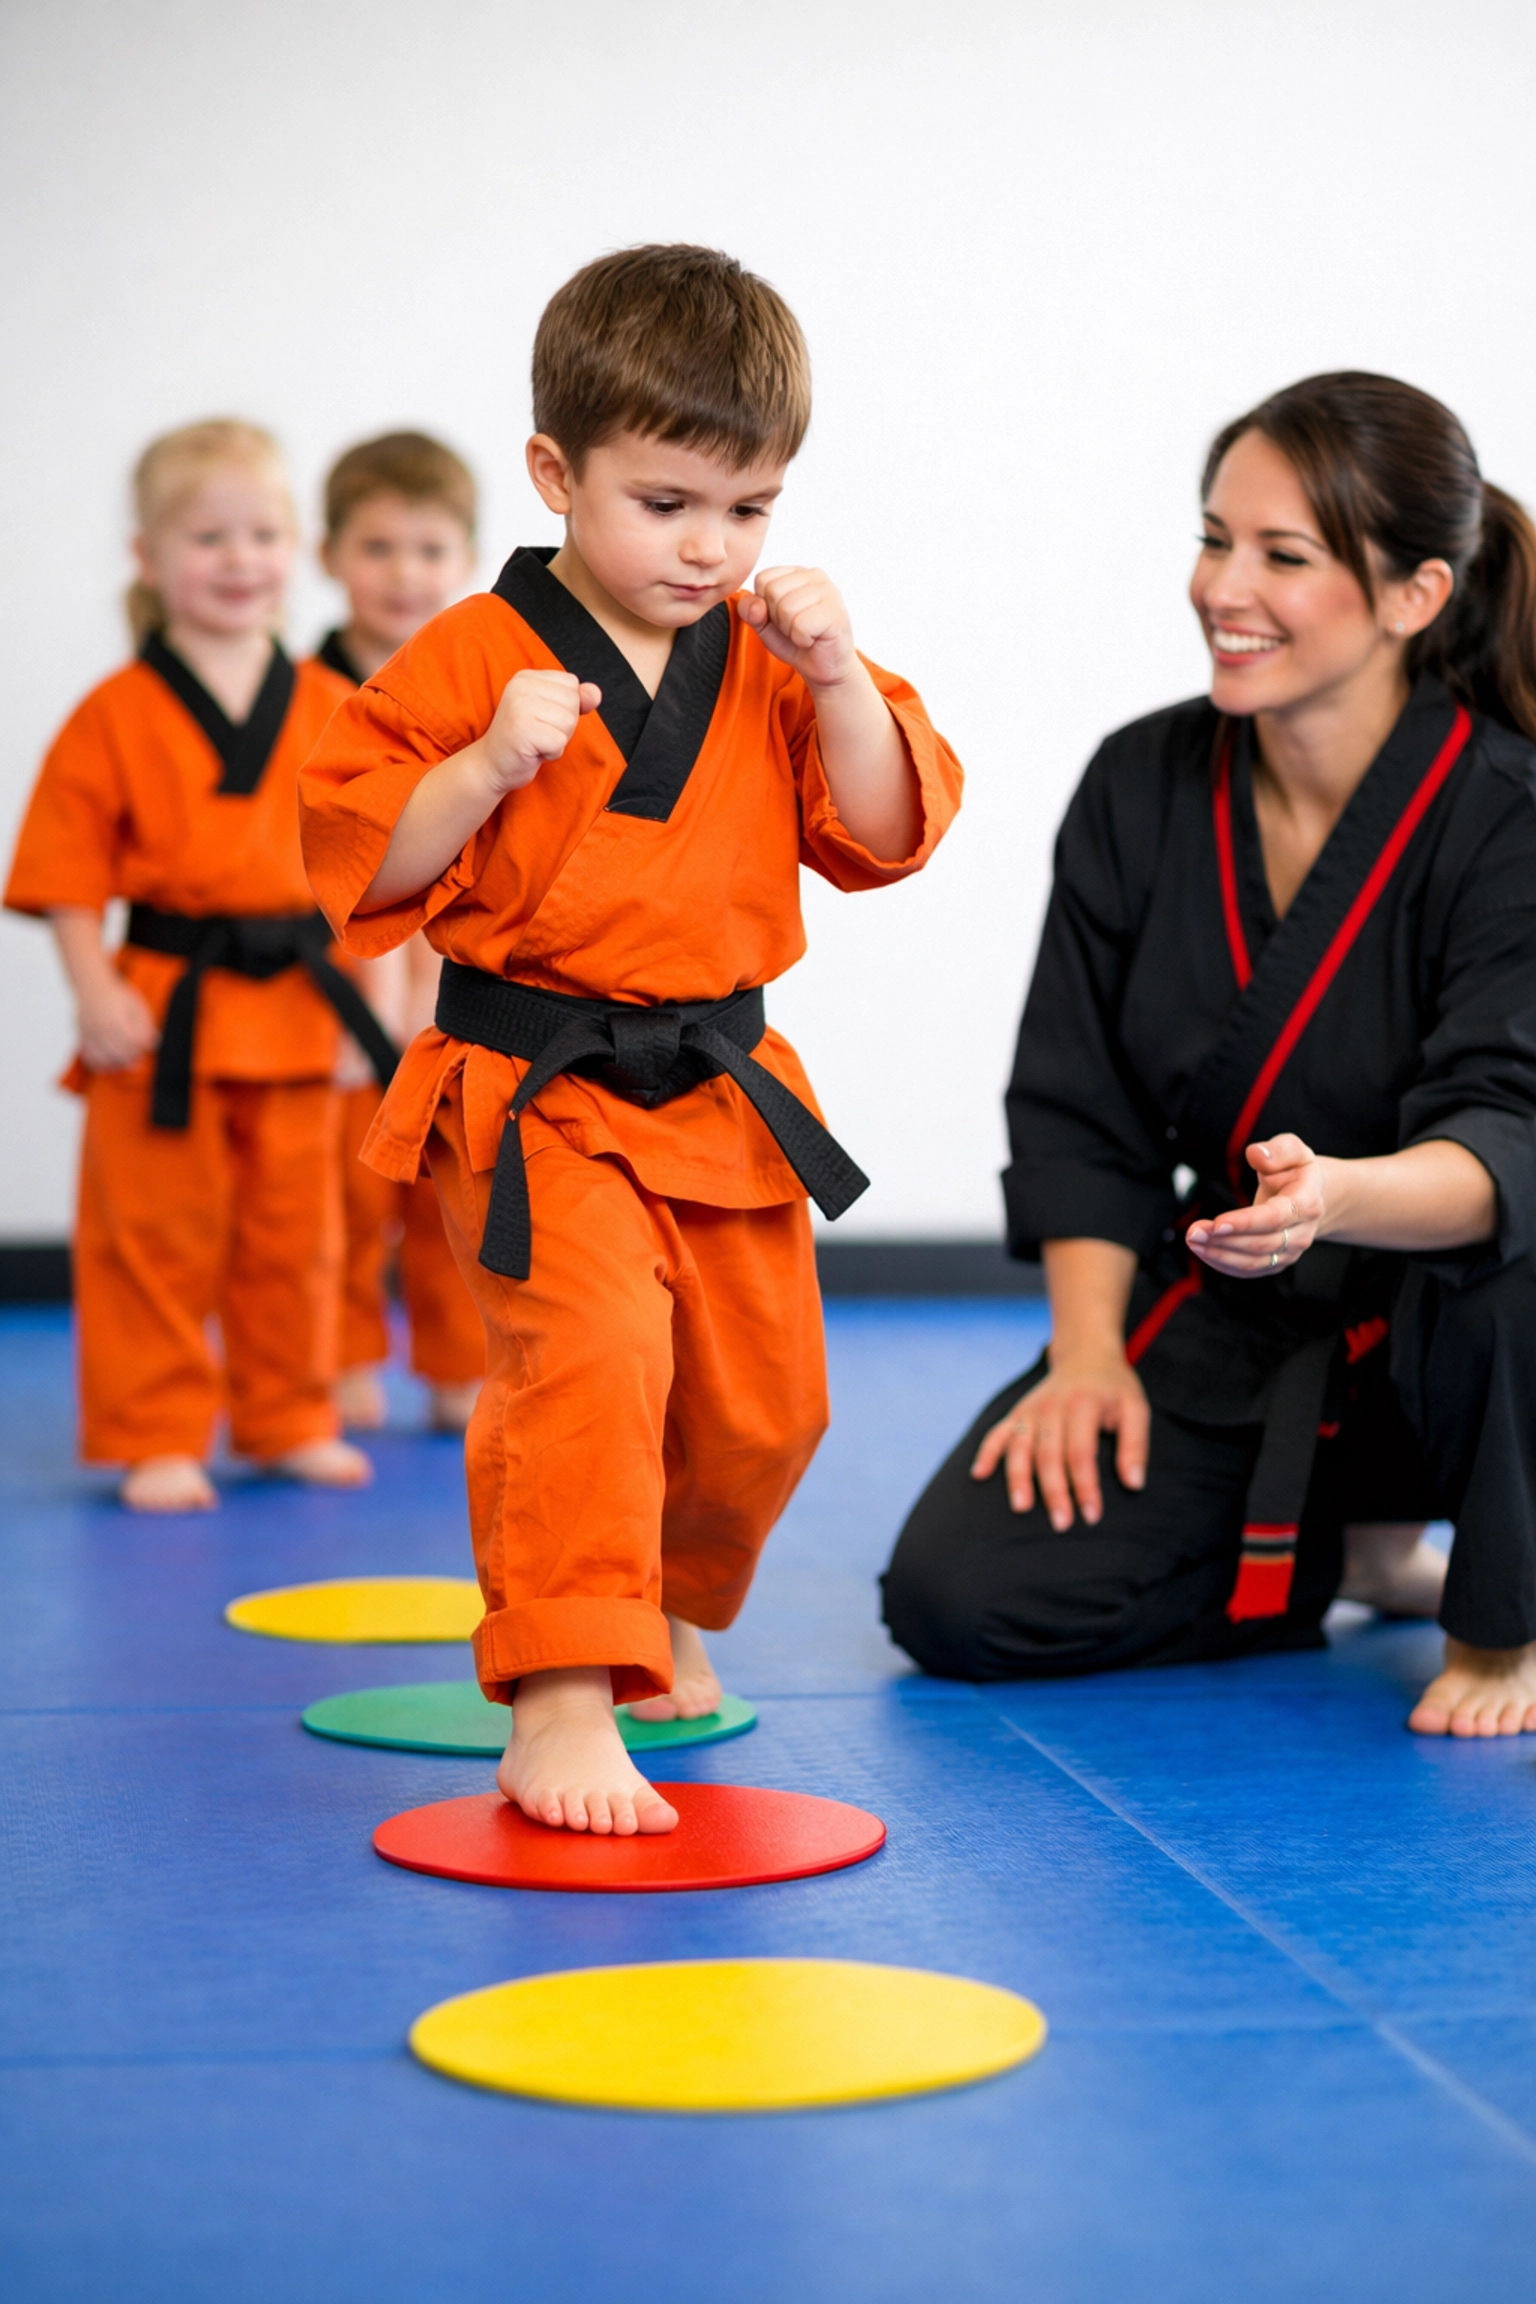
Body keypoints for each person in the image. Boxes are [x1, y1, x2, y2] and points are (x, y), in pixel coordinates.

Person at [300, 244, 962, 1831]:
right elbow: (359, 861)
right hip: (534, 1092)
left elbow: (881, 833)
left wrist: (840, 684)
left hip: (721, 1089)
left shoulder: (776, 656)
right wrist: (475, 771)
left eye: (749, 510)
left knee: (763, 1403)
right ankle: (564, 1697)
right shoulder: (476, 652)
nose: (709, 546)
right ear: (556, 472)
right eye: (666, 504)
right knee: (585, 1364)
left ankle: (656, 1610)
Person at [882, 371, 1536, 1740]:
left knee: (1506, 1274)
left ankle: (1501, 1613)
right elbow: (1080, 1109)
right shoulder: (1141, 784)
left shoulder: (1503, 815)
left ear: (1416, 595)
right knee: (961, 1600)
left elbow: (1504, 1142)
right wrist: (1083, 1359)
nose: (1219, 586)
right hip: (1242, 1306)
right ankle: (1336, 1548)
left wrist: (1337, 1197)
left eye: (1281, 557)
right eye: (1213, 536)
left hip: (1459, 1323)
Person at [4, 420, 377, 1512]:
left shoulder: (327, 705)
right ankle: (158, 1430)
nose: (237, 558)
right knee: (151, 1242)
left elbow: (365, 865)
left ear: (297, 548)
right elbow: (67, 872)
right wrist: (92, 987)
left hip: (303, 1018)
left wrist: (372, 1005)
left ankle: (288, 1415)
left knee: (296, 1239)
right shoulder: (112, 714)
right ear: (149, 559)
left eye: (262, 533)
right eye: (207, 535)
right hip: (162, 1015)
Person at [312, 431, 486, 1435]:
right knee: (334, 1207)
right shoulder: (298, 696)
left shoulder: (485, 692)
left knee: (451, 1201)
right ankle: (336, 1364)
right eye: (378, 548)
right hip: (334, 1005)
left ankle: (459, 1368)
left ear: (464, 559)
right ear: (330, 555)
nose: (404, 574)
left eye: (428, 550)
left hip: (452, 1000)